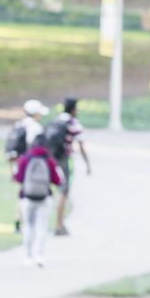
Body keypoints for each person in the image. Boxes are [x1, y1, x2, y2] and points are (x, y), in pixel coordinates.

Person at [13, 134, 63, 267]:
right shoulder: (49, 160)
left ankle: (28, 256)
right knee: (42, 227)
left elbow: (17, 178)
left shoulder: (25, 158)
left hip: (26, 198)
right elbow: (57, 180)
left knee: (28, 226)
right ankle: (40, 256)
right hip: (44, 198)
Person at [49, 97, 91, 236]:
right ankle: (58, 225)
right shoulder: (73, 123)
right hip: (64, 159)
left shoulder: (56, 120)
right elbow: (81, 145)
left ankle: (56, 223)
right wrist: (87, 164)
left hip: (50, 159)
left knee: (53, 191)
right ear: (73, 109)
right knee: (63, 192)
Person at [8, 99, 50, 234]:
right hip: (29, 166)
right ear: (36, 114)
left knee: (21, 193)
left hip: (17, 164)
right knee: (29, 194)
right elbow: (36, 150)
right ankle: (27, 223)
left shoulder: (19, 125)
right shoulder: (35, 128)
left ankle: (18, 223)